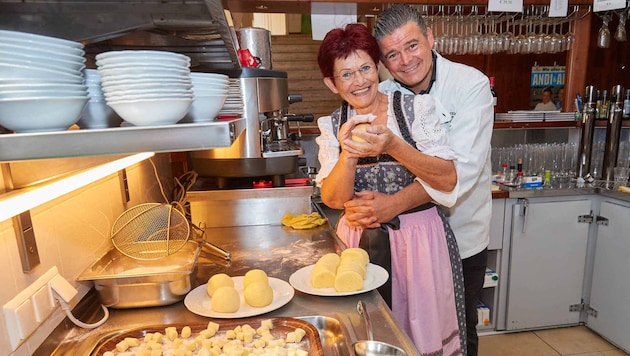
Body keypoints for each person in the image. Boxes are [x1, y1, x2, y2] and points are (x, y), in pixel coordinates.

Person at [336, 5, 494, 356]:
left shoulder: (470, 86)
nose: (405, 60)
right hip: (405, 245)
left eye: (412, 46)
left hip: (462, 232)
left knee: (458, 327)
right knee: (401, 330)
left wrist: (393, 204)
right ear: (383, 62)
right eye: (392, 54)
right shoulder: (383, 94)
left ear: (431, 38)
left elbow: (460, 174)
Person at [314, 23, 466, 355]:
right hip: (358, 245)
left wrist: (394, 145)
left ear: (378, 66)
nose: (360, 80)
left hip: (418, 242)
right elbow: (333, 198)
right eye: (347, 74)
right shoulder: (331, 125)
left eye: (366, 67)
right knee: (363, 336)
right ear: (331, 82)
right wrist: (349, 154)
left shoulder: (415, 110)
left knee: (422, 337)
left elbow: (447, 178)